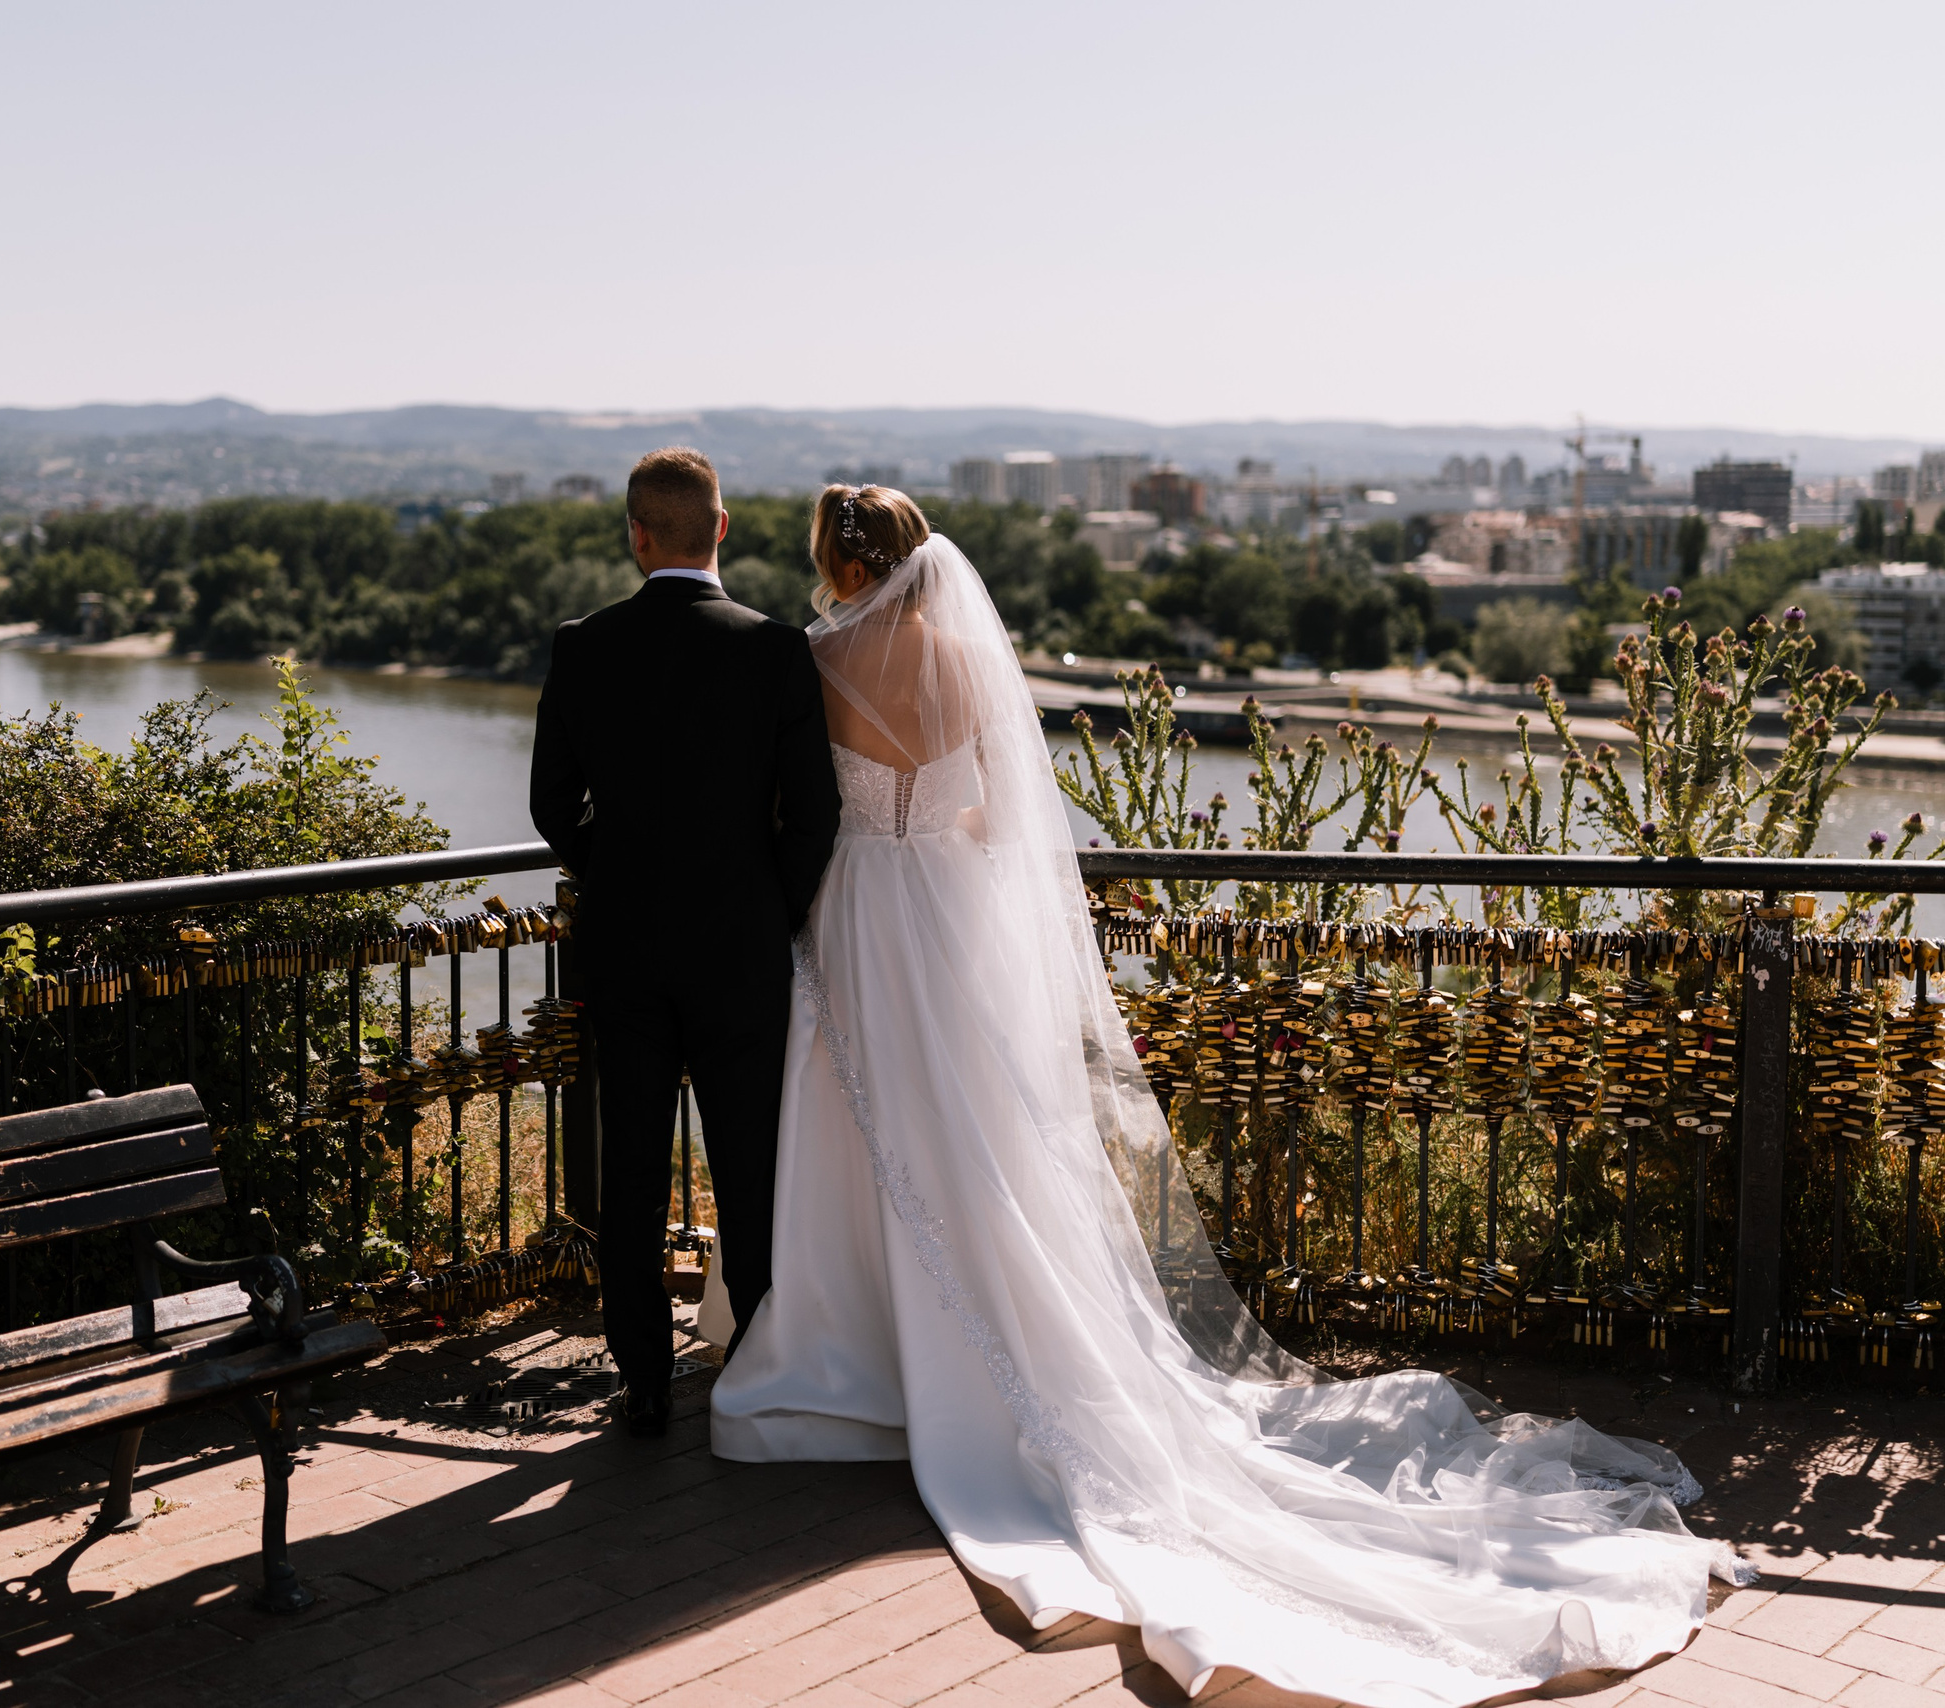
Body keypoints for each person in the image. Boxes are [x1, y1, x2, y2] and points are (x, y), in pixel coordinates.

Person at [708, 484, 1748, 1708]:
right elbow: (1000, 816)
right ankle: (979, 1347)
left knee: (856, 1126)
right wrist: (935, 834)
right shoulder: (961, 656)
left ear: (836, 560)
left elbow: (794, 801)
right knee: (977, 1144)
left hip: (855, 912)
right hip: (944, 914)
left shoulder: (812, 653)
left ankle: (854, 1355)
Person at [528, 446, 841, 1438]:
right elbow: (817, 816)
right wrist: (768, 908)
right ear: (722, 528)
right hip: (740, 949)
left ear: (636, 535)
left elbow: (550, 805)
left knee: (631, 1170)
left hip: (625, 948)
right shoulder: (775, 648)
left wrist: (616, 872)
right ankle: (754, 1369)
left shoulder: (584, 645)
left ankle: (644, 1379)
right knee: (749, 1166)